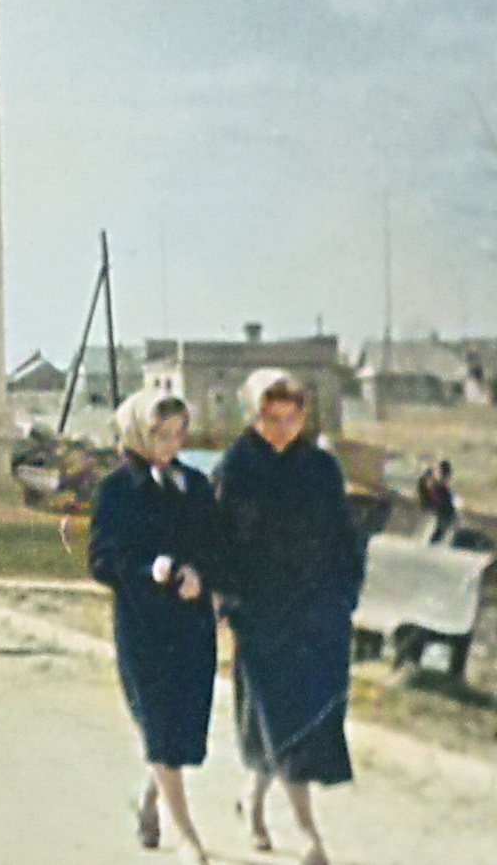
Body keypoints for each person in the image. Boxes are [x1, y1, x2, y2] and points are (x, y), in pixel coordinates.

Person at [216, 369, 364, 865]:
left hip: (318, 612)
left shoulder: (321, 467)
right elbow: (221, 543)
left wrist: (346, 594)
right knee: (277, 716)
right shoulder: (237, 467)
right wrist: (229, 601)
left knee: (300, 719)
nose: (280, 428)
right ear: (253, 415)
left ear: (303, 416)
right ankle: (309, 835)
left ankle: (253, 802)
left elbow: (346, 537)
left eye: (290, 417)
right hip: (261, 612)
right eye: (269, 417)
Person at [89, 392, 223, 864]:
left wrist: (200, 574)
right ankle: (188, 836)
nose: (170, 444)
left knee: (181, 730)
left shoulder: (198, 485)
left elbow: (215, 546)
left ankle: (150, 799)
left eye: (178, 433)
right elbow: (102, 560)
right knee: (160, 724)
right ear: (137, 433)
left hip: (190, 623)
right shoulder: (117, 489)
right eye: (160, 434)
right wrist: (151, 570)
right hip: (144, 625)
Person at [416, 459, 458, 544]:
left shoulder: (439, 485)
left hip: (442, 511)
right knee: (440, 532)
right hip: (441, 511)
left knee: (440, 532)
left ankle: (433, 544)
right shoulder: (438, 484)